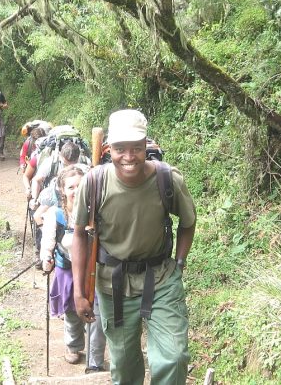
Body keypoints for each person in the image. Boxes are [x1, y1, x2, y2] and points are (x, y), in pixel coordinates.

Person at [72, 109, 197, 384]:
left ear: (146, 146)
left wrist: (179, 264)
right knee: (124, 365)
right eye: (120, 149)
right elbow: (79, 235)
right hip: (113, 285)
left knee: (173, 358)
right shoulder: (93, 183)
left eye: (136, 149)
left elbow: (188, 222)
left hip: (162, 279)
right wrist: (79, 290)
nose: (129, 157)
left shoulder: (168, 180)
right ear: (109, 149)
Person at [40, 165, 106, 370]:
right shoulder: (56, 214)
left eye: (80, 185)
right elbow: (48, 241)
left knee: (97, 313)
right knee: (71, 312)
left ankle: (95, 359)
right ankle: (74, 345)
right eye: (71, 187)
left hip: (94, 271)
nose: (76, 190)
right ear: (62, 190)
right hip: (66, 270)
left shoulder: (96, 213)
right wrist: (46, 258)